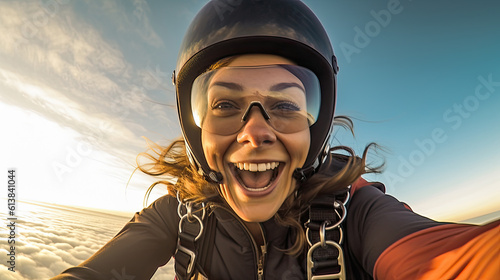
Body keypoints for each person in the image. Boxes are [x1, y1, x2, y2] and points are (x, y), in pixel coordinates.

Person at [53, 1, 499, 279]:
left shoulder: (356, 215)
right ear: (195, 128)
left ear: (315, 126)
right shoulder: (179, 215)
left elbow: (450, 259)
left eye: (285, 106)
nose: (255, 131)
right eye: (226, 105)